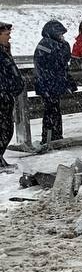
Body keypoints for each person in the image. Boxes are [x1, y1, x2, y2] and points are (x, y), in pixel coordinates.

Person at [33, 20, 75, 147]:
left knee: (53, 110)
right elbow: (59, 60)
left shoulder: (52, 44)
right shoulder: (47, 44)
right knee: (51, 111)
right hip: (49, 83)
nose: (62, 36)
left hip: (50, 83)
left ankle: (53, 137)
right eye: (59, 33)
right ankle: (50, 138)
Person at [0, 21, 23, 170]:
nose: (9, 37)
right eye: (6, 34)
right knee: (4, 129)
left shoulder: (4, 50)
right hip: (2, 96)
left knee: (6, 129)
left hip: (7, 95)